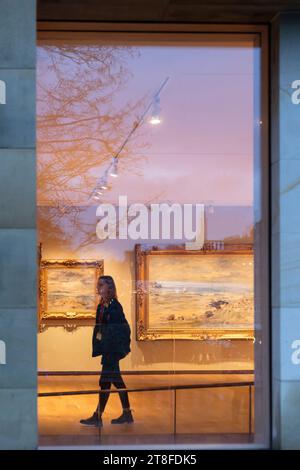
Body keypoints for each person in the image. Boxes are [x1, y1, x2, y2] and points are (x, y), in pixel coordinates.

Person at [80, 275, 133, 427]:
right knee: (115, 381)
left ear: (109, 288)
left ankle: (98, 416)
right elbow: (101, 328)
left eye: (101, 285)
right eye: (98, 285)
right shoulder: (102, 306)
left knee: (105, 382)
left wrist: (113, 350)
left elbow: (119, 330)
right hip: (108, 349)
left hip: (112, 351)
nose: (98, 288)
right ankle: (127, 413)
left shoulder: (115, 307)